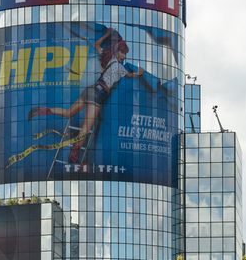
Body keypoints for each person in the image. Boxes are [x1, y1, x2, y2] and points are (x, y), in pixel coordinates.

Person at [27, 27, 166, 164]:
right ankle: (75, 151)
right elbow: (131, 75)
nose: (124, 56)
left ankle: (45, 110)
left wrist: (106, 35)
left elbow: (96, 45)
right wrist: (139, 73)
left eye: (125, 54)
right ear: (117, 52)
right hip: (98, 95)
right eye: (123, 53)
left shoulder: (108, 59)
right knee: (86, 127)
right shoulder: (120, 68)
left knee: (69, 113)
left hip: (90, 89)